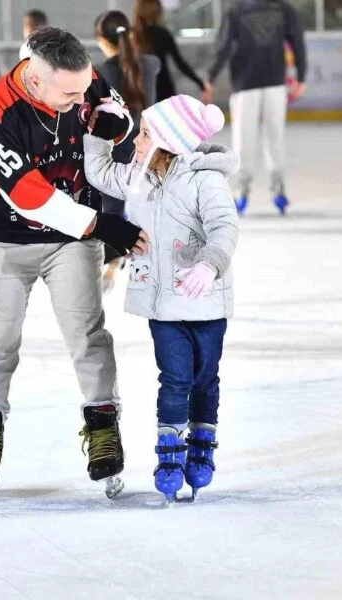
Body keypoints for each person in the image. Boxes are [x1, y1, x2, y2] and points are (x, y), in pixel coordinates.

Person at [0, 27, 149, 499]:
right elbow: (26, 194)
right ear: (36, 81)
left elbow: (121, 118)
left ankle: (103, 425)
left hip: (71, 243)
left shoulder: (80, 78)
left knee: (87, 334)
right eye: (70, 94)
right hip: (6, 239)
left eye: (84, 89)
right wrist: (103, 225)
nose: (81, 98)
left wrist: (113, 124)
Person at [83, 95, 239, 503]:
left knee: (205, 378)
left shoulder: (206, 180)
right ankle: (169, 453)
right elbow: (98, 171)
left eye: (145, 134)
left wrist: (209, 265)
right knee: (173, 379)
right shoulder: (138, 177)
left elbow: (224, 227)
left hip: (206, 304)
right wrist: (100, 130)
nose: (136, 140)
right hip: (163, 306)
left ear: (169, 141)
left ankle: (202, 444)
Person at [205, 0, 307, 216]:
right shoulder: (241, 9)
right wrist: (302, 75)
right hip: (256, 83)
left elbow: (296, 40)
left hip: (259, 83)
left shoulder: (276, 8)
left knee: (252, 137)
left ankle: (265, 185)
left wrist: (210, 77)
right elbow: (224, 45)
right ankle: (248, 186)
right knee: (264, 137)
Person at [94, 9, 160, 292]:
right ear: (130, 35)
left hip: (118, 153)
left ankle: (113, 258)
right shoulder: (151, 64)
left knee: (110, 209)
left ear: (101, 39)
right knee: (147, 210)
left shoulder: (101, 73)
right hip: (151, 151)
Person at [132, 0, 206, 102]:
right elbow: (180, 64)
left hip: (140, 92)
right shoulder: (162, 34)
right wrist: (201, 84)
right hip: (164, 91)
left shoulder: (132, 35)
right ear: (157, 11)